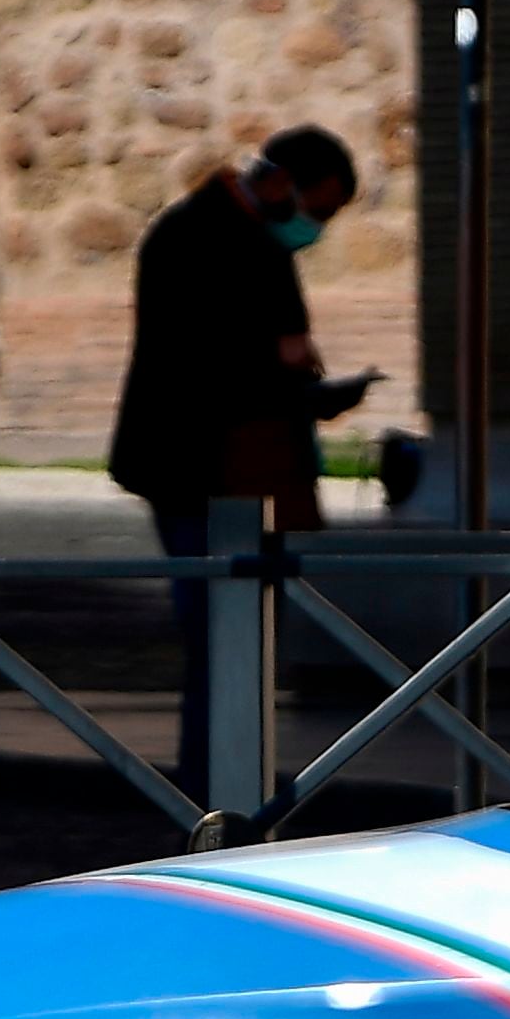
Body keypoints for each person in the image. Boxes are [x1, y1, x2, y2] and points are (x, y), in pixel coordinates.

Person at [106, 126, 374, 799]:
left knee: (240, 643)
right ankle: (213, 793)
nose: (316, 226)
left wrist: (304, 388)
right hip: (198, 470)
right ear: (282, 183)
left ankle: (230, 785)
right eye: (319, 210)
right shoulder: (196, 236)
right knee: (220, 641)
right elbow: (204, 362)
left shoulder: (242, 238)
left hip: (245, 468)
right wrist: (292, 378)